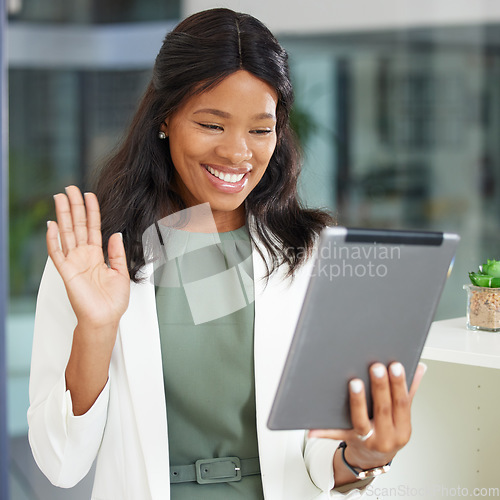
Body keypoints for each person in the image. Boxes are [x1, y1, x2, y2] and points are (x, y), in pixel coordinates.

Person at [28, 8, 425, 500]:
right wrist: (97, 329)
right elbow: (61, 462)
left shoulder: (308, 253)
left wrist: (362, 457)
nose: (238, 153)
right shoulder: (92, 259)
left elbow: (316, 452)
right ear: (165, 118)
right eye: (213, 125)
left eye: (260, 129)